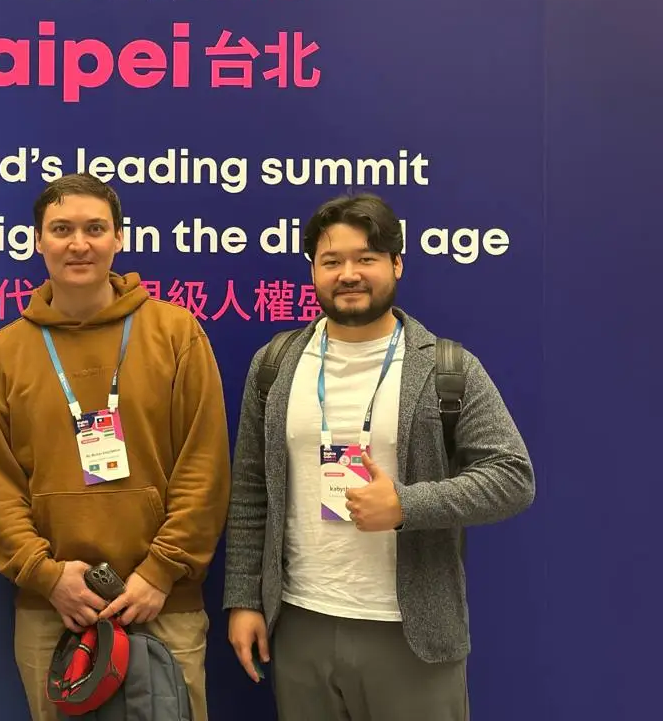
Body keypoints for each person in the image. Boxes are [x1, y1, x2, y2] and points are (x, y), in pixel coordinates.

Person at [224, 192, 535, 721]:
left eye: (365, 258)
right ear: (313, 271)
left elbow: (512, 477)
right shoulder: (275, 364)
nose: (348, 274)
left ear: (396, 264)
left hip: (410, 633)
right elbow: (252, 489)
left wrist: (406, 506)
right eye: (331, 261)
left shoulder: (446, 367)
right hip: (300, 621)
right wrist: (244, 599)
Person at [0, 173, 230, 721]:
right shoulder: (4, 352)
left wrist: (160, 572)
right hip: (52, 612)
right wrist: (46, 576)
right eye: (61, 229)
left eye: (94, 229)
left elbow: (204, 468)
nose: (79, 244)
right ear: (37, 241)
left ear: (119, 238)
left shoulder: (175, 333)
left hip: (162, 607)